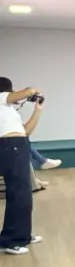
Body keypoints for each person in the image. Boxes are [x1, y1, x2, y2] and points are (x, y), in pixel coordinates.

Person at [0, 78, 46, 255]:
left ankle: (22, 235)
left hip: (18, 145)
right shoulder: (1, 98)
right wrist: (32, 91)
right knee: (19, 194)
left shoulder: (9, 110)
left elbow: (26, 131)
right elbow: (29, 91)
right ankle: (12, 241)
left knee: (24, 194)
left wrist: (37, 110)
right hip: (10, 146)